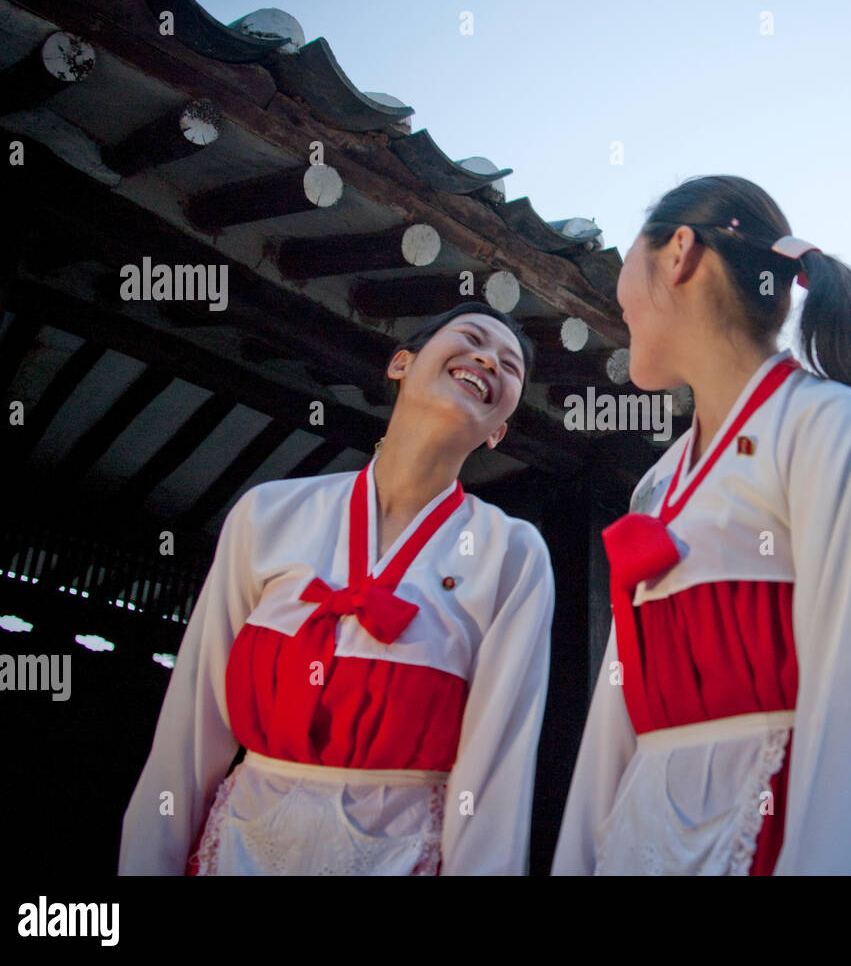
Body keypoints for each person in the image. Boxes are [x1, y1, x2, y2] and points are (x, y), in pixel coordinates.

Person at [552, 175, 851, 875]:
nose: (620, 305)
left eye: (625, 273)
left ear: (679, 252)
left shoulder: (833, 429)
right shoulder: (656, 483)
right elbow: (615, 729)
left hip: (775, 834)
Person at [119, 303, 554, 875]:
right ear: (401, 363)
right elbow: (188, 738)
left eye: (510, 365)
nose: (486, 359)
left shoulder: (513, 555)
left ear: (498, 431)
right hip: (241, 852)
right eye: (471, 339)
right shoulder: (267, 514)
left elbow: (497, 783)